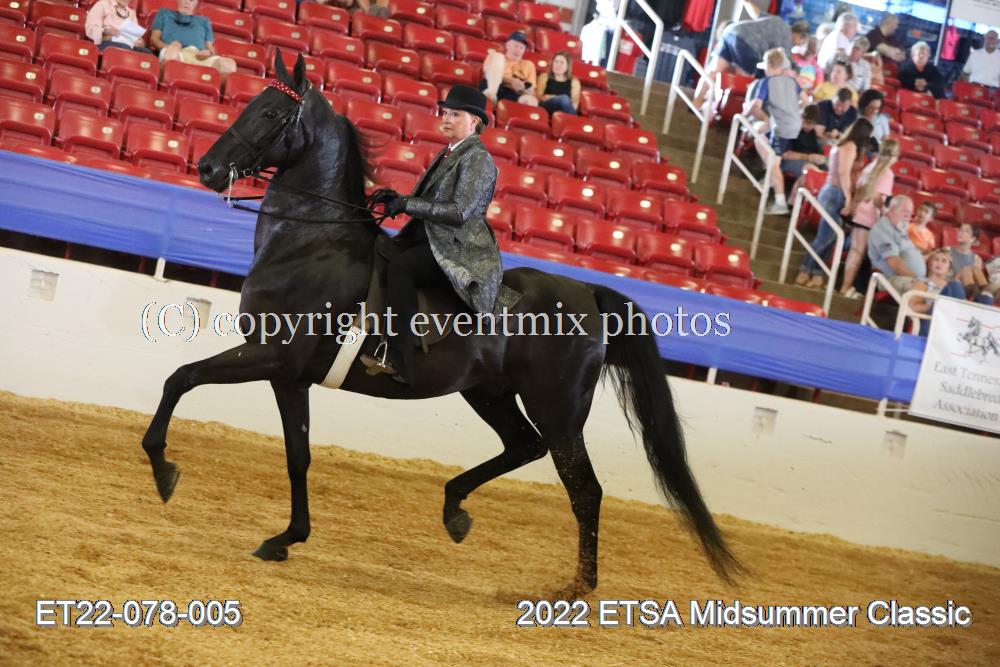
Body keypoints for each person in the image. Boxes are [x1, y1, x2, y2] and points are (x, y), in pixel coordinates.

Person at [363, 86, 501, 385]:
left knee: (401, 269)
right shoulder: (449, 151)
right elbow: (429, 200)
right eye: (445, 112)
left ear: (474, 121)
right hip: (429, 236)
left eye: (455, 114)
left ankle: (400, 359)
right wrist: (397, 198)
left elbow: (460, 211)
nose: (446, 118)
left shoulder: (478, 158)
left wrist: (407, 204)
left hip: (457, 247)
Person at [795, 118, 873, 288]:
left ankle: (816, 271)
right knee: (825, 237)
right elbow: (843, 173)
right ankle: (805, 269)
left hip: (836, 192)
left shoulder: (848, 145)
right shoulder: (849, 146)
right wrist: (848, 198)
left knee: (831, 238)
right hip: (836, 192)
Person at [693, 0, 795, 105]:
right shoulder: (788, 38)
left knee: (713, 72)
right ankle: (723, 109)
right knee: (744, 83)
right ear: (799, 36)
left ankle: (696, 103)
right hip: (749, 45)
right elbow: (780, 62)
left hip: (732, 31)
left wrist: (746, 2)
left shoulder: (777, 21)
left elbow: (756, 13)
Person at [744, 48, 806, 215]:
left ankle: (780, 201)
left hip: (780, 127)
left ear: (769, 66)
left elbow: (755, 106)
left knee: (772, 162)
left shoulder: (766, 82)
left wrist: (744, 115)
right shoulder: (791, 81)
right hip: (792, 126)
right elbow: (805, 100)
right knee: (769, 150)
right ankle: (768, 180)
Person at [840, 139, 899, 298]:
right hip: (870, 216)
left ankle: (847, 286)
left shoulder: (870, 166)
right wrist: (886, 211)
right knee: (857, 252)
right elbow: (878, 198)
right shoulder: (887, 173)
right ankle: (846, 287)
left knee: (856, 251)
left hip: (859, 211)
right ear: (894, 156)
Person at [149, 0, 237, 81]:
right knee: (171, 53)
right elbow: (154, 40)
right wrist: (170, 47)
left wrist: (209, 53)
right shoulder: (164, 13)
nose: (187, 2)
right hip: (176, 53)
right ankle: (169, 85)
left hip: (198, 57)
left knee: (228, 64)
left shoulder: (204, 21)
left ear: (196, 2)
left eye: (191, 0)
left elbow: (210, 48)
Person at [867, 195, 923, 294]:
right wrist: (918, 280)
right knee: (921, 288)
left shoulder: (899, 228)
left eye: (910, 212)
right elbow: (894, 263)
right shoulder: (883, 229)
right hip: (890, 279)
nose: (908, 215)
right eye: (904, 211)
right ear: (891, 210)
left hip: (907, 278)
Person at [480, 32, 538, 106]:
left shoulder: (529, 65)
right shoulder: (496, 57)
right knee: (498, 57)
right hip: (497, 86)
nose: (518, 50)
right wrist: (510, 81)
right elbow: (488, 74)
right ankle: (491, 97)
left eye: (521, 48)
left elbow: (532, 90)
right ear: (507, 45)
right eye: (516, 46)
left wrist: (524, 89)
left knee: (530, 100)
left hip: (515, 94)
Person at [85, 0, 151, 53]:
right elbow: (90, 28)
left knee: (147, 53)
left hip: (128, 45)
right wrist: (105, 31)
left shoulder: (131, 13)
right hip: (108, 44)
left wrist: (140, 42)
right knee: (123, 47)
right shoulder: (103, 4)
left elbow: (136, 37)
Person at [947, 223, 990, 297]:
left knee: (974, 270)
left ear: (973, 238)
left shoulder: (976, 259)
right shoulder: (948, 251)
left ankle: (984, 293)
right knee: (966, 270)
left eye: (966, 231)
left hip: (969, 289)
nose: (961, 233)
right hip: (951, 287)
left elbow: (976, 280)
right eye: (960, 230)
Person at [536, 51, 581, 116]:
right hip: (546, 107)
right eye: (556, 62)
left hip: (564, 112)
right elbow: (539, 97)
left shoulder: (574, 82)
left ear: (568, 66)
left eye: (562, 62)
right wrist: (559, 99)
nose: (558, 65)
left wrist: (551, 97)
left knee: (564, 99)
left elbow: (574, 106)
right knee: (564, 99)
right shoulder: (544, 76)